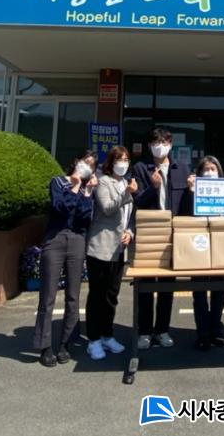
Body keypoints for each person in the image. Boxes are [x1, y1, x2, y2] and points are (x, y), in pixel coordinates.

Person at [33, 150, 98, 367]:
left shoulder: (87, 188)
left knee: (73, 295)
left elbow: (84, 217)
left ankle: (66, 343)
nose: (88, 167)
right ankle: (44, 346)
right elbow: (60, 208)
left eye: (92, 165)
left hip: (77, 239)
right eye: (85, 162)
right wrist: (76, 187)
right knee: (48, 295)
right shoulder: (58, 182)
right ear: (76, 161)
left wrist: (87, 192)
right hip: (55, 238)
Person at [133, 128, 191, 349]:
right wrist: (153, 187)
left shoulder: (182, 169)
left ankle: (163, 330)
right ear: (149, 146)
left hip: (173, 234)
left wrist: (192, 191)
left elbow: (187, 206)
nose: (160, 146)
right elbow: (138, 201)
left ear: (171, 144)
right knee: (146, 284)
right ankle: (144, 331)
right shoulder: (140, 168)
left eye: (164, 142)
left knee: (167, 285)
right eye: (156, 142)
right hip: (149, 234)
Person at [85, 146, 137, 361]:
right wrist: (127, 193)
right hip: (101, 248)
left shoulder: (126, 183)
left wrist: (130, 233)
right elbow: (107, 208)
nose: (123, 163)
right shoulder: (103, 181)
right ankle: (93, 340)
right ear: (111, 162)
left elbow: (130, 216)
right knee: (97, 295)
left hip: (119, 250)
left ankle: (107, 335)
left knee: (111, 296)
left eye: (126, 159)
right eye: (119, 159)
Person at [184, 156, 224, 351]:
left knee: (221, 290)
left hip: (222, 247)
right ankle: (202, 333)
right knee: (199, 292)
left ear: (219, 172)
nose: (210, 173)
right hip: (198, 246)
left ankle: (216, 329)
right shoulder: (191, 190)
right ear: (199, 173)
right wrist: (191, 192)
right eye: (206, 169)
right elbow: (184, 214)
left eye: (213, 169)